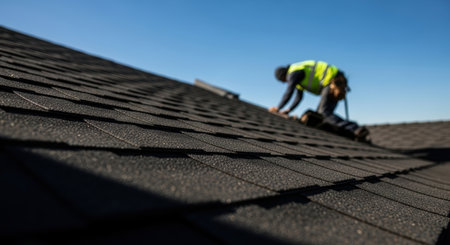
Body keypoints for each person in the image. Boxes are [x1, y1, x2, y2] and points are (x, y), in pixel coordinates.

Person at [269, 60, 369, 140]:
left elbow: (289, 92)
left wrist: (278, 108)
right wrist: (289, 110)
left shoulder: (294, 72)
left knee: (323, 113)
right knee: (319, 116)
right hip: (334, 80)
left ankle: (355, 129)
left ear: (283, 75)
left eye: (282, 80)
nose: (284, 82)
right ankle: (351, 131)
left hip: (332, 80)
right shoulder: (298, 78)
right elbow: (298, 97)